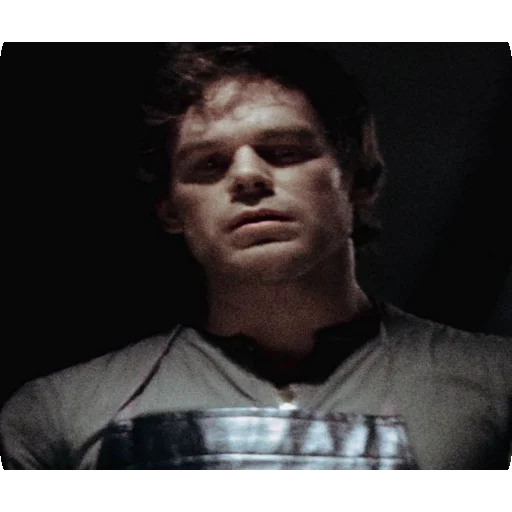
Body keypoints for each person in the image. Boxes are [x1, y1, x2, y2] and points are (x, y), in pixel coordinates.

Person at [1, 40, 510, 472]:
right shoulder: (58, 413)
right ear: (171, 208)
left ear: (358, 178)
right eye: (209, 164)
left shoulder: (497, 383)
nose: (247, 177)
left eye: (285, 151)